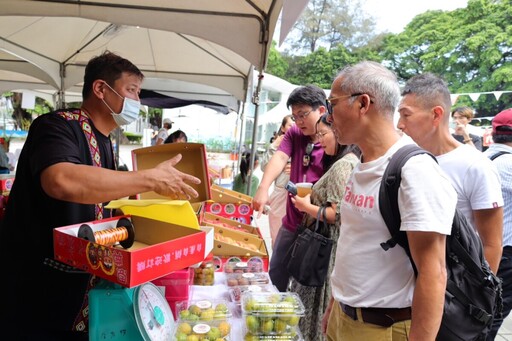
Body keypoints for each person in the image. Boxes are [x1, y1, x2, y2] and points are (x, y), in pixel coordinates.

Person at [0, 51, 201, 340]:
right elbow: (60, 179)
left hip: (81, 296)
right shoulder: (56, 126)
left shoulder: (105, 143)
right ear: (100, 89)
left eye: (139, 93)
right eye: (131, 90)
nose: (137, 101)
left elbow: (103, 204)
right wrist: (146, 178)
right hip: (37, 292)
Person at [323, 61, 457, 341]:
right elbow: (355, 243)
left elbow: (434, 273)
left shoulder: (415, 171)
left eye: (332, 103)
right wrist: (336, 304)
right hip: (344, 318)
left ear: (362, 104)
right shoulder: (362, 162)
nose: (328, 115)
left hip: (382, 329)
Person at [398, 73, 504, 275]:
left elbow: (492, 244)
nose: (400, 124)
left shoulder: (476, 166)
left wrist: (479, 299)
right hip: (405, 287)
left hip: (456, 292)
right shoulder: (405, 161)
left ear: (436, 115)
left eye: (406, 115)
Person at [290, 113, 360, 341]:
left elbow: (336, 213)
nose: (319, 141)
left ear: (338, 132)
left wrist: (305, 205)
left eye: (323, 134)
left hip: (323, 247)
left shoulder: (343, 165)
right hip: (327, 246)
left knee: (314, 308)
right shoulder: (349, 162)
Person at [252, 85, 325, 292]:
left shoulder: (334, 139)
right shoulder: (294, 133)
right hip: (292, 221)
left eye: (303, 115)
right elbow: (280, 156)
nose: (299, 121)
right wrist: (263, 187)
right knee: (276, 274)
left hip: (317, 226)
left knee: (307, 286)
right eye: (295, 116)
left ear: (321, 110)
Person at [483, 108, 512, 340]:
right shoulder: (509, 164)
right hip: (506, 252)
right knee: (494, 316)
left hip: (479, 249)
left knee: (483, 311)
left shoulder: (482, 159)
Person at [260, 114, 294, 247]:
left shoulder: (304, 143)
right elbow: (264, 167)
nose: (294, 128)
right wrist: (274, 146)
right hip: (280, 194)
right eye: (291, 125)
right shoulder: (279, 144)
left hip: (298, 196)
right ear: (283, 128)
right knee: (277, 235)